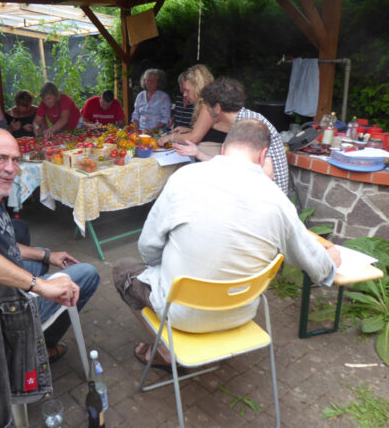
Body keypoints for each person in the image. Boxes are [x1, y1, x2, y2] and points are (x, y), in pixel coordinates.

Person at [113, 119, 341, 369]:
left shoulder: (184, 178)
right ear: (263, 155)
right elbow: (318, 267)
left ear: (223, 149)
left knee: (122, 269)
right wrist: (331, 258)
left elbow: (147, 246)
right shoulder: (277, 200)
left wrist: (162, 269)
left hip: (181, 314)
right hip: (240, 312)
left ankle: (167, 352)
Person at [0, 128, 100, 361]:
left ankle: (39, 327)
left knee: (38, 261)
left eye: (15, 159)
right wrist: (40, 286)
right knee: (88, 273)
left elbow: (0, 245)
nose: (11, 168)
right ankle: (41, 346)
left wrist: (46, 255)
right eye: (0, 159)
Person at [173, 77, 289, 194]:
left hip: (266, 199)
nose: (206, 110)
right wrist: (197, 153)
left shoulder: (249, 125)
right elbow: (231, 167)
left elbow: (249, 176)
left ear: (217, 108)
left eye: (207, 106)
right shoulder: (242, 121)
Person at [158, 64, 223, 146]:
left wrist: (169, 137)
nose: (184, 94)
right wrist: (188, 130)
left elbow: (194, 138)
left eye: (187, 90)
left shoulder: (209, 104)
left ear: (198, 88)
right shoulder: (210, 100)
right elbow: (210, 131)